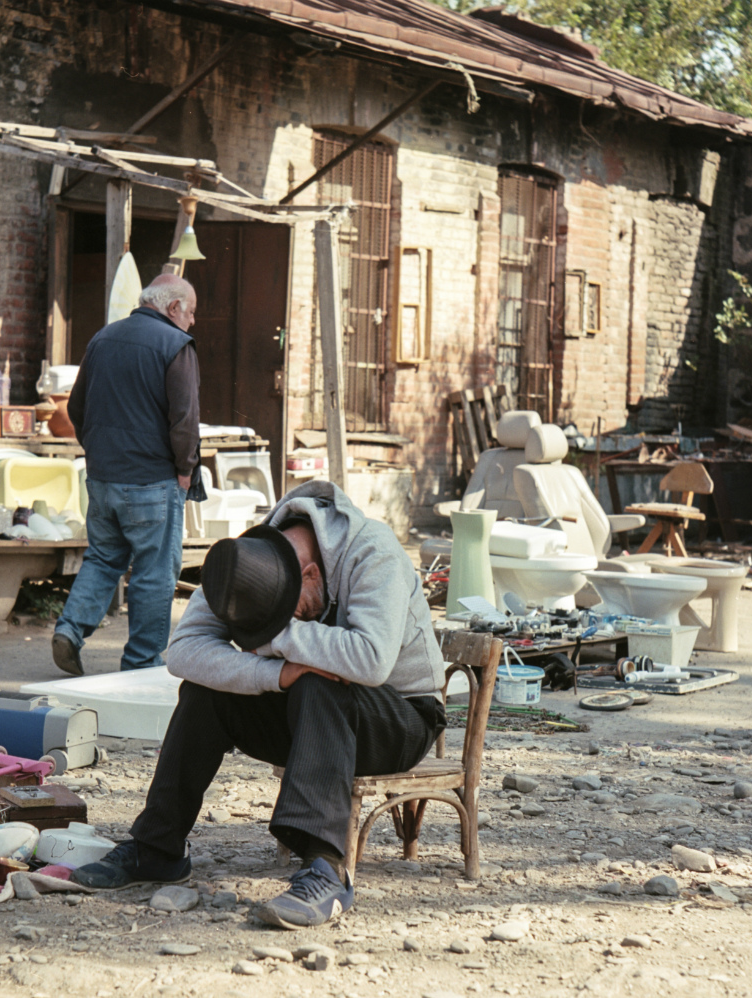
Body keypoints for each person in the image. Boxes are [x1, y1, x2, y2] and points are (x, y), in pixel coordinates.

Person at [70, 481, 447, 930]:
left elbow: (371, 659)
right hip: (308, 715)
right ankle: (157, 848)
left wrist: (279, 639)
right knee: (206, 689)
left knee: (322, 683)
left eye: (291, 612)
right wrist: (277, 673)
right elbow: (184, 652)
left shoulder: (371, 550)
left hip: (401, 717)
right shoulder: (249, 563)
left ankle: (327, 869)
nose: (278, 630)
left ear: (310, 574)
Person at [52, 274, 201, 675]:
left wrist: (100, 454)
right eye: (190, 313)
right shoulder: (176, 345)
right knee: (155, 571)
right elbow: (185, 420)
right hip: (153, 480)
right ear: (173, 308)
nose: (192, 322)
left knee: (103, 558)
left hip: (103, 477)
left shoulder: (102, 338)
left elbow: (76, 410)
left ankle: (69, 629)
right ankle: (141, 662)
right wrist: (185, 469)